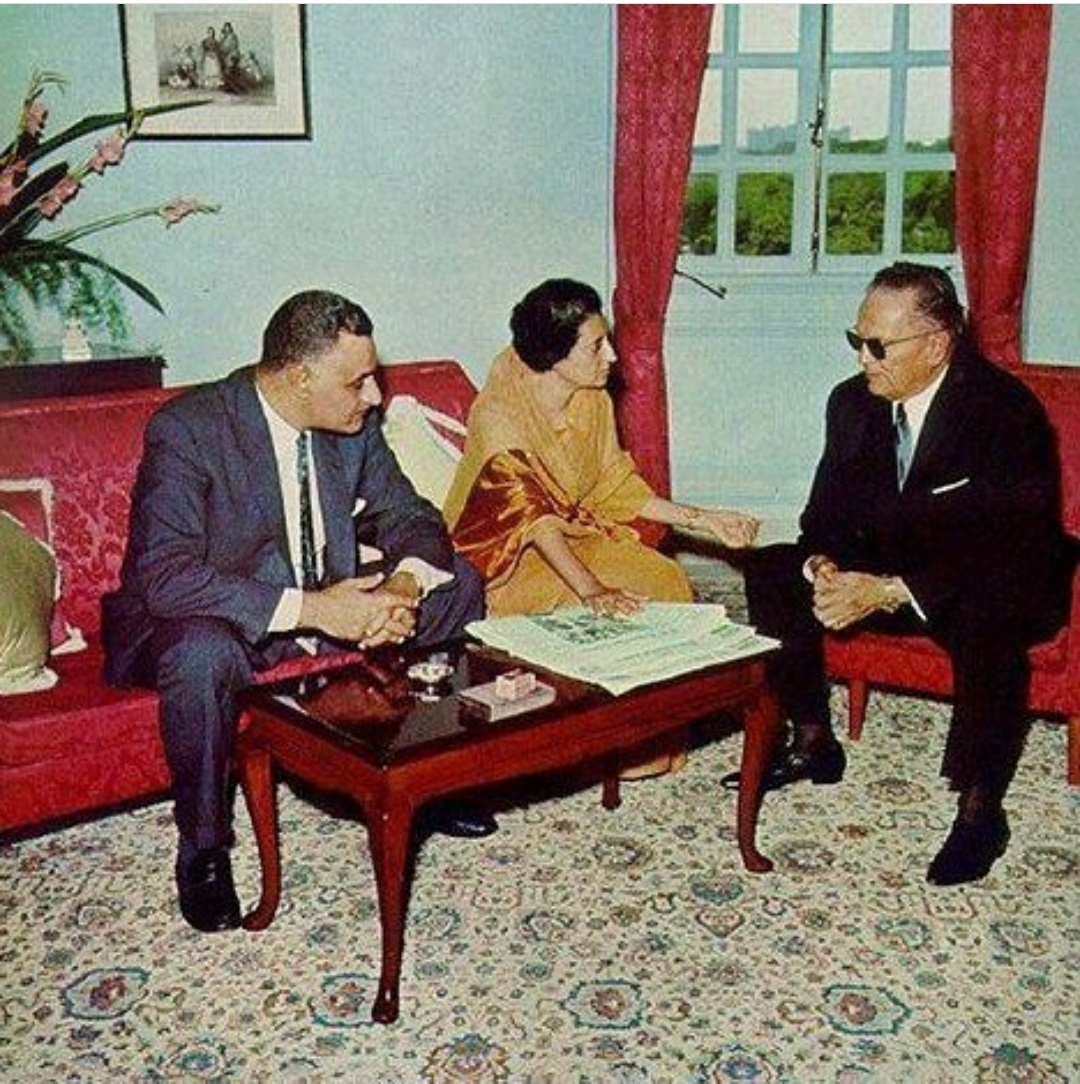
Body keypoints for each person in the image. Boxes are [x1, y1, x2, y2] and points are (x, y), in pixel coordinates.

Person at [103, 290, 493, 935]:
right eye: (358, 381)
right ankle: (202, 849)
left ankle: (429, 782)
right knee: (201, 654)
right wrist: (318, 610)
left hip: (321, 598)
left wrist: (399, 587)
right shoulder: (189, 429)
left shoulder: (352, 430)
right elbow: (165, 579)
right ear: (298, 377)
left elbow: (410, 514)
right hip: (218, 615)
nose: (374, 397)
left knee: (457, 585)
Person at [727, 262, 1074, 886]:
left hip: (997, 578)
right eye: (856, 340)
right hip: (889, 573)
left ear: (938, 344)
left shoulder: (1003, 413)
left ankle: (980, 809)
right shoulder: (851, 404)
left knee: (987, 621)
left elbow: (1010, 545)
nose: (864, 358)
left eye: (879, 346)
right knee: (771, 570)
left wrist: (886, 590)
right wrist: (823, 567)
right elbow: (822, 517)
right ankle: (812, 739)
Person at [443, 278, 759, 777]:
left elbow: (617, 484)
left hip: (572, 535)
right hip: (506, 556)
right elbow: (533, 519)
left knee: (664, 580)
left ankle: (646, 738)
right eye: (596, 345)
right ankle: (593, 745)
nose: (611, 355)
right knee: (592, 614)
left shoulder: (592, 398)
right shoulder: (498, 412)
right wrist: (592, 590)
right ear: (554, 355)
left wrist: (706, 519)